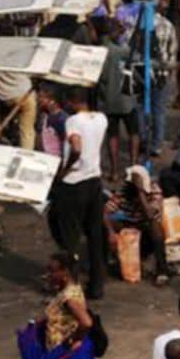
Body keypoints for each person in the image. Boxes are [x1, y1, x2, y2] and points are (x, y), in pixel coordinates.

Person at [50, 87, 108, 299]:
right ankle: (97, 284)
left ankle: (71, 283)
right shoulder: (101, 119)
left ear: (72, 101)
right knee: (95, 235)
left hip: (74, 182)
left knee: (70, 237)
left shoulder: (73, 121)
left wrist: (65, 169)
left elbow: (76, 147)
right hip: (94, 180)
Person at [104, 165, 170, 285]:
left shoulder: (155, 191)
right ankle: (107, 262)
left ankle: (162, 270)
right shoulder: (125, 191)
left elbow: (150, 215)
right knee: (104, 226)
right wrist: (110, 233)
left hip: (146, 231)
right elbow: (105, 212)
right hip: (131, 227)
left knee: (155, 227)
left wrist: (140, 193)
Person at [93, 16, 139, 179]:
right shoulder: (121, 51)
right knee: (133, 132)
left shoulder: (97, 50)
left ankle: (114, 170)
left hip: (107, 99)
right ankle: (133, 166)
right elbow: (137, 60)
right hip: (126, 99)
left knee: (112, 135)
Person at [138, 0, 178, 157]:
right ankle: (157, 145)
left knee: (141, 107)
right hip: (163, 73)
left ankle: (143, 140)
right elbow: (172, 51)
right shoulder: (168, 25)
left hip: (143, 72)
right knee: (159, 110)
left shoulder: (140, 24)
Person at [0, 73, 36, 150]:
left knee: (1, 126)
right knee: (27, 131)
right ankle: (26, 154)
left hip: (5, 97)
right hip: (26, 94)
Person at [38, 84, 68, 157]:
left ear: (53, 100)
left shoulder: (61, 119)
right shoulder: (45, 116)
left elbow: (65, 144)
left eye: (42, 97)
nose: (39, 99)